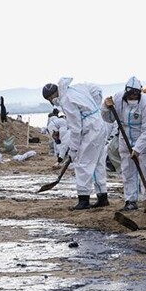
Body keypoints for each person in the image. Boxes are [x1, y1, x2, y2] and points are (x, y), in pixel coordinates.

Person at [42, 78, 111, 209]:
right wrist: (94, 106)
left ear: (52, 96)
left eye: (51, 98)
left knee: (83, 164)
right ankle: (102, 197)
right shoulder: (75, 89)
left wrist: (73, 151)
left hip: (91, 130)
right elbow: (96, 89)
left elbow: (75, 129)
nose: (53, 100)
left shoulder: (66, 100)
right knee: (97, 163)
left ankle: (83, 199)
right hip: (99, 124)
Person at [101, 76, 146, 210]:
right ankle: (130, 200)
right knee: (128, 172)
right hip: (126, 138)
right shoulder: (118, 98)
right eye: (130, 95)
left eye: (135, 95)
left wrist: (138, 148)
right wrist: (105, 107)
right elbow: (109, 119)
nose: (133, 98)